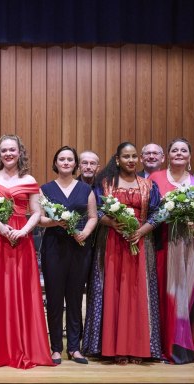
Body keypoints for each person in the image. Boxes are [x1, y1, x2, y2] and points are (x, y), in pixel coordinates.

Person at [82, 142, 163, 364]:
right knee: (111, 291)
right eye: (126, 156)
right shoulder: (104, 184)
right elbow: (94, 210)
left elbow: (158, 213)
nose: (130, 160)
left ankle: (138, 348)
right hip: (110, 243)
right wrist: (110, 221)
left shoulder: (148, 185)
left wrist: (142, 231)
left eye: (134, 156)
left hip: (140, 243)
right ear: (117, 160)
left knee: (137, 293)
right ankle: (111, 347)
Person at [0, 135, 54, 369]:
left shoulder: (29, 179)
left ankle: (26, 345)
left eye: (12, 150)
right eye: (4, 150)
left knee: (24, 292)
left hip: (22, 239)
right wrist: (2, 227)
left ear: (19, 152)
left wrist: (23, 232)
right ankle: (3, 349)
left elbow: (35, 212)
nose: (8, 154)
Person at [149, 137, 194, 364]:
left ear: (189, 156)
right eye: (174, 150)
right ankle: (160, 346)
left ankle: (182, 346)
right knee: (163, 296)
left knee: (185, 296)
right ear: (168, 155)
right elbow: (150, 209)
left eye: (183, 150)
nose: (178, 153)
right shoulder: (155, 178)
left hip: (188, 248)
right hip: (162, 246)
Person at [39, 146, 97, 365]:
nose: (65, 162)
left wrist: (85, 233)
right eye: (61, 159)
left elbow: (92, 216)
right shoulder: (45, 189)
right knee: (54, 299)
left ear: (76, 164)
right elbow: (41, 219)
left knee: (74, 298)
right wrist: (56, 222)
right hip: (54, 248)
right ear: (56, 163)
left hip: (79, 247)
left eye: (69, 159)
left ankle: (74, 347)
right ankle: (55, 348)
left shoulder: (85, 190)